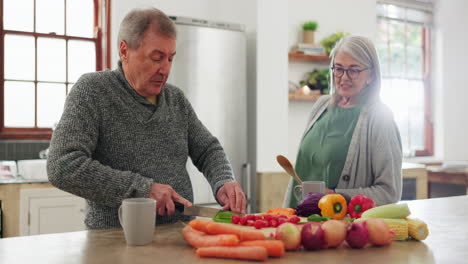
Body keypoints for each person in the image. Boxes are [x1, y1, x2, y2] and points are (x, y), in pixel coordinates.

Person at [47, 8, 246, 229]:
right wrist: (143, 190)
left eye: (170, 58)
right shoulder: (93, 91)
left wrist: (224, 180)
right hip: (115, 240)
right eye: (156, 58)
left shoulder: (175, 99)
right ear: (124, 50)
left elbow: (208, 149)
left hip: (178, 236)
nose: (166, 69)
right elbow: (62, 165)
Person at [283, 35, 402, 208]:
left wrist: (338, 196)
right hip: (298, 217)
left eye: (353, 70)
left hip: (336, 224)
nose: (344, 77)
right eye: (338, 68)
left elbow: (389, 192)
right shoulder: (321, 106)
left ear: (371, 75)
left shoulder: (380, 117)